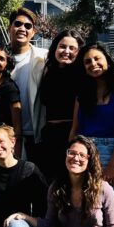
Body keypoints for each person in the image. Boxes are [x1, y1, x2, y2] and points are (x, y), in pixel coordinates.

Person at [70, 43, 114, 202]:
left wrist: (112, 165)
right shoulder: (81, 95)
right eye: (87, 61)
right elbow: (75, 128)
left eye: (97, 59)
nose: (93, 64)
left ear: (108, 61)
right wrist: (69, 154)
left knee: (113, 206)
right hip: (85, 153)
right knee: (86, 207)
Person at [35, 29, 85, 182]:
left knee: (68, 181)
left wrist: (72, 136)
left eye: (72, 48)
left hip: (71, 133)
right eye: (62, 46)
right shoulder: (46, 70)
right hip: (49, 133)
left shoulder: (81, 74)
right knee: (49, 181)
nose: (66, 51)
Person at [7, 8, 46, 161]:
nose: (22, 28)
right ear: (9, 27)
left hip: (36, 133)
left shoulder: (44, 57)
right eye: (18, 24)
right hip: (6, 135)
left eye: (28, 26)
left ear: (34, 32)